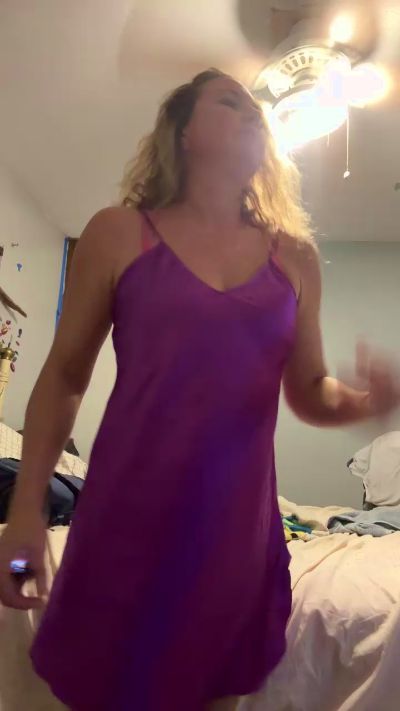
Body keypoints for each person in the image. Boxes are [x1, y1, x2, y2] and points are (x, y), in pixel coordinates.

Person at [0, 68, 398, 711]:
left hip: (234, 539)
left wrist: (364, 402)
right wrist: (26, 511)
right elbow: (66, 375)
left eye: (254, 109)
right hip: (123, 524)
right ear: (183, 131)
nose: (253, 114)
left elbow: (309, 390)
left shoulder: (295, 257)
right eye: (230, 102)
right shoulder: (118, 233)